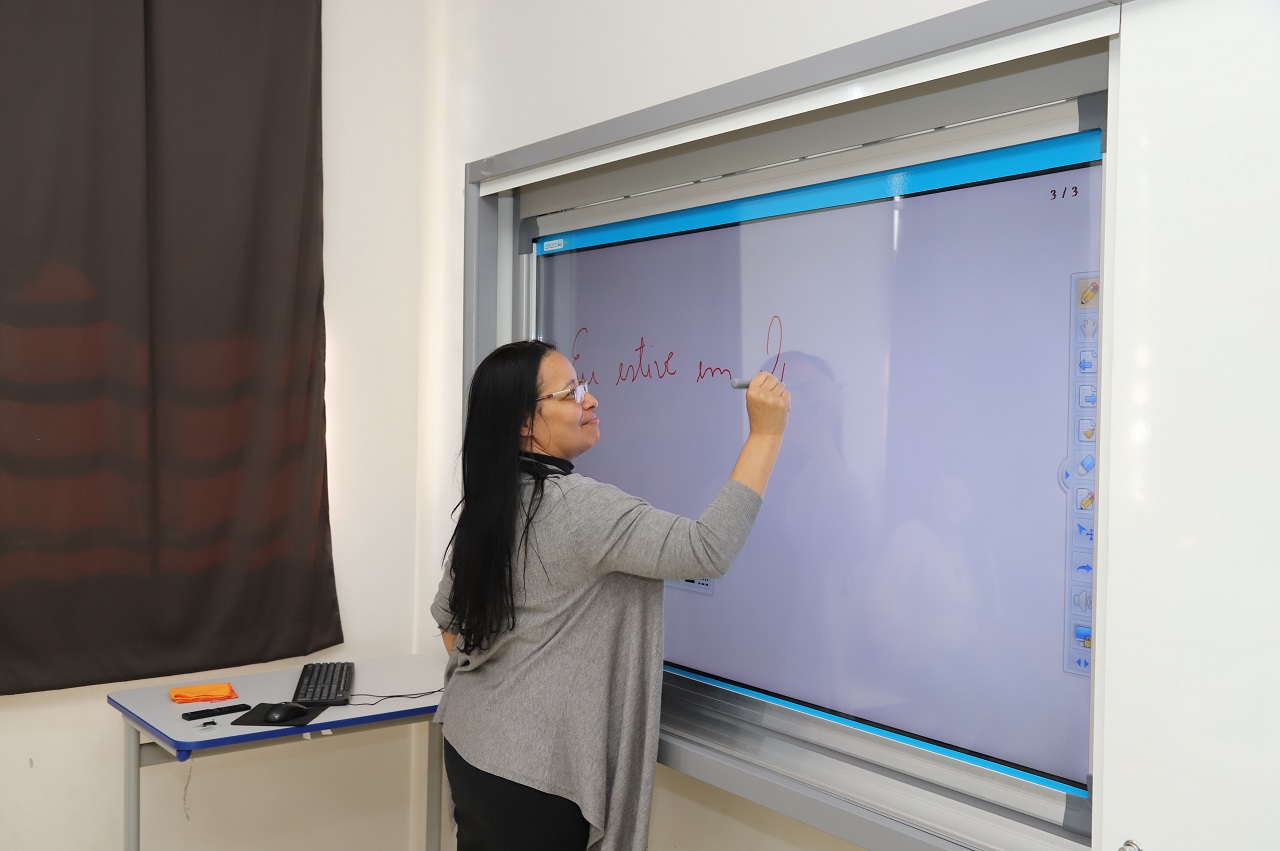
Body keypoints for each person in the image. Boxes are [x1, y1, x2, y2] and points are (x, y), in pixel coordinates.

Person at [431, 339, 789, 851]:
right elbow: (707, 548)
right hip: (536, 778)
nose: (591, 398)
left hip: (472, 743)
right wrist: (766, 433)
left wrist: (512, 681)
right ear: (525, 423)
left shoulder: (493, 499)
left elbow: (450, 621)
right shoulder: (579, 507)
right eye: (571, 392)